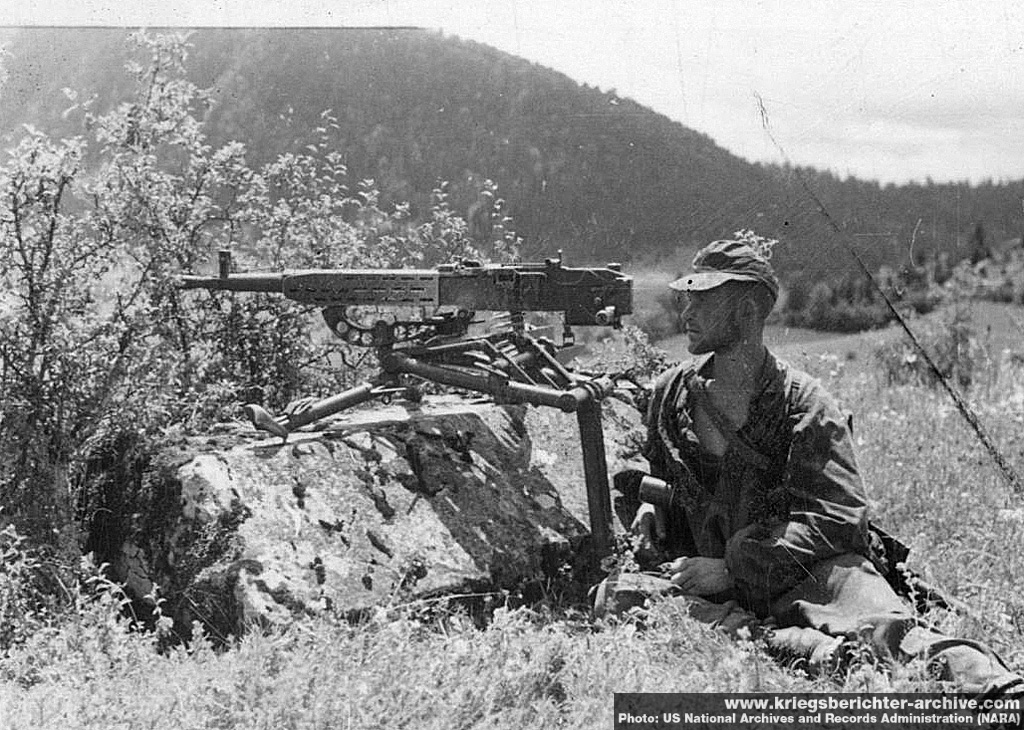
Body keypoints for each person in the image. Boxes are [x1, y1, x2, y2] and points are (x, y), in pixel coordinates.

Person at [595, 238, 1023, 697]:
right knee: (614, 596)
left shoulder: (805, 405)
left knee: (887, 628)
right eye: (688, 300)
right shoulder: (671, 390)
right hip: (703, 577)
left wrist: (733, 568)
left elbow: (839, 518)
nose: (687, 316)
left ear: (746, 312)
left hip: (805, 574)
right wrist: (648, 503)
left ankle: (996, 692)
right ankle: (798, 648)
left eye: (704, 301)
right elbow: (649, 457)